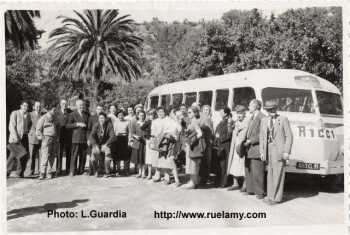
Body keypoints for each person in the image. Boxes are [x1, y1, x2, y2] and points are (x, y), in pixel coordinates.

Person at [260, 100, 293, 205]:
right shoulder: (264, 120)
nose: (271, 111)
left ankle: (276, 198)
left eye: (273, 109)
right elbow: (261, 137)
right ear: (266, 110)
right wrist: (262, 151)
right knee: (270, 173)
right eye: (269, 110)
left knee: (278, 173)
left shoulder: (283, 119)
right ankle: (270, 196)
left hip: (279, 150)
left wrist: (286, 152)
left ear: (276, 108)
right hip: (268, 150)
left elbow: (289, 136)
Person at [243, 99, 265, 199]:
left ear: (256, 106)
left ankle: (259, 192)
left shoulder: (262, 117)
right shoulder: (252, 117)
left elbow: (263, 133)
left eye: (250, 105)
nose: (248, 107)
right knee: (249, 169)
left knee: (257, 171)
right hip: (248, 148)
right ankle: (250, 189)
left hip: (256, 147)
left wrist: (251, 141)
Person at [157, 109, 182, 186]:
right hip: (164, 143)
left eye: (176, 115)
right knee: (164, 161)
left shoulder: (177, 122)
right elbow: (161, 131)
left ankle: (177, 180)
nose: (174, 115)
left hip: (172, 144)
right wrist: (165, 134)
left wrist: (171, 135)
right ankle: (167, 178)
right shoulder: (166, 120)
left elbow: (179, 132)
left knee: (171, 161)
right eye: (173, 114)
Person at [182, 106, 205, 189]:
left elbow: (200, 133)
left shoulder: (194, 121)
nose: (188, 114)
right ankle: (194, 181)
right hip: (193, 146)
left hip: (193, 146)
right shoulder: (193, 121)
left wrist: (192, 140)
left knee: (192, 164)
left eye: (190, 112)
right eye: (188, 112)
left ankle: (193, 182)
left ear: (195, 113)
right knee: (193, 164)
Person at [227, 105, 249, 191]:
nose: (239, 115)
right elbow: (230, 132)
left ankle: (245, 184)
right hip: (235, 145)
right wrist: (229, 124)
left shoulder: (247, 122)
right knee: (234, 164)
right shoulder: (235, 122)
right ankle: (235, 183)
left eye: (240, 113)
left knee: (243, 165)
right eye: (237, 113)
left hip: (242, 147)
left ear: (244, 113)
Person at [7, 100, 31, 178]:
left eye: (27, 106)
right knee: (14, 155)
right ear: (21, 106)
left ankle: (20, 172)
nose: (26, 108)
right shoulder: (15, 113)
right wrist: (15, 137)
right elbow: (11, 126)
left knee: (25, 154)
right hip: (15, 138)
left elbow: (29, 124)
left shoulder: (27, 115)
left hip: (24, 137)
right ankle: (7, 171)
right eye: (24, 106)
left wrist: (27, 131)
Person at [36, 102, 58, 180]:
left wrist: (57, 137)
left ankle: (49, 172)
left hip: (54, 139)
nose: (55, 111)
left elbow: (56, 128)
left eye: (55, 110)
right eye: (54, 109)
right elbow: (38, 129)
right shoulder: (43, 117)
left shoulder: (55, 118)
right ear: (49, 110)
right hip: (46, 138)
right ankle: (42, 173)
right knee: (45, 156)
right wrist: (42, 138)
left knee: (52, 156)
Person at [66, 99, 89, 176]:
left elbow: (89, 126)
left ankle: (81, 170)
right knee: (74, 155)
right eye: (80, 105)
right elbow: (67, 126)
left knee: (83, 156)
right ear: (76, 106)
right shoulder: (72, 114)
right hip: (75, 138)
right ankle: (72, 170)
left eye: (82, 105)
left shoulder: (87, 114)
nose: (81, 106)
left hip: (84, 138)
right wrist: (77, 124)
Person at [89, 112, 115, 177]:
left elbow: (112, 136)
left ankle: (107, 172)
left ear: (105, 119)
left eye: (103, 118)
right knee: (92, 159)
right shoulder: (96, 125)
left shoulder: (109, 125)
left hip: (106, 144)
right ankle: (96, 171)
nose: (101, 119)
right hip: (97, 144)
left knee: (108, 158)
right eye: (100, 118)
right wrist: (95, 145)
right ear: (98, 119)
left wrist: (106, 144)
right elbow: (91, 136)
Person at [213, 107, 233, 187]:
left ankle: (224, 182)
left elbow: (229, 135)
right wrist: (216, 138)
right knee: (220, 164)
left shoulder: (229, 122)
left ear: (225, 114)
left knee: (224, 164)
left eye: (221, 112)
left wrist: (219, 137)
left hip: (226, 146)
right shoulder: (221, 122)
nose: (220, 113)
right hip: (219, 145)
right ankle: (219, 181)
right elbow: (216, 133)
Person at [109, 109, 130, 176]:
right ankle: (118, 170)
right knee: (118, 156)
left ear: (124, 115)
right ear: (117, 116)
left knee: (125, 156)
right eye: (119, 115)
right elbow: (114, 132)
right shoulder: (115, 122)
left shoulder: (127, 122)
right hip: (117, 140)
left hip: (125, 140)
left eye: (122, 115)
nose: (120, 116)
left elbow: (129, 132)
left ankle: (126, 170)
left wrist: (129, 140)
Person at [198, 104, 214, 186]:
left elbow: (211, 131)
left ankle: (204, 179)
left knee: (206, 161)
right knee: (202, 160)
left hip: (207, 143)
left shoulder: (209, 119)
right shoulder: (201, 119)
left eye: (207, 109)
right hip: (202, 142)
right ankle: (202, 178)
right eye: (204, 109)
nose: (206, 111)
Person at [55, 99, 72, 176]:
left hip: (68, 136)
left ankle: (68, 169)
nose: (64, 105)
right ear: (60, 104)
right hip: (59, 136)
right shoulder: (56, 113)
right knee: (59, 153)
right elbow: (55, 125)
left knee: (68, 153)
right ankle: (58, 170)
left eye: (65, 104)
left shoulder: (70, 112)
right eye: (63, 103)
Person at [87, 104, 104, 175]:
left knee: (101, 155)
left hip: (101, 141)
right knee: (92, 156)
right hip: (93, 140)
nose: (99, 110)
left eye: (101, 109)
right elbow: (88, 130)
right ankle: (91, 170)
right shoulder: (92, 117)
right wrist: (88, 139)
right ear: (96, 110)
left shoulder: (104, 117)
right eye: (98, 109)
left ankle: (100, 170)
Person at [129, 110, 147, 178]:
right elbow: (132, 132)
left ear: (144, 116)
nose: (141, 117)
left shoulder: (147, 123)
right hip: (137, 142)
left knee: (144, 157)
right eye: (140, 115)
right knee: (139, 158)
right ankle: (139, 172)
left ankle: (143, 172)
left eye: (143, 115)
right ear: (138, 116)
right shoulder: (135, 123)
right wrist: (135, 136)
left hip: (145, 142)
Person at [143, 109, 158, 180]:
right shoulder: (148, 122)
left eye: (152, 115)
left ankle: (156, 173)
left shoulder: (157, 121)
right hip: (149, 140)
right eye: (149, 115)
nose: (151, 116)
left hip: (156, 140)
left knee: (155, 157)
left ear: (155, 115)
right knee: (148, 157)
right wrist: (147, 132)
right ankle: (149, 174)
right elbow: (142, 127)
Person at [27, 101, 42, 176]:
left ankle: (40, 170)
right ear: (33, 107)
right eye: (37, 106)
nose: (38, 108)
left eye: (39, 107)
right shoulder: (30, 114)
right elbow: (27, 125)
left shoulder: (42, 115)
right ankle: (31, 170)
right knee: (32, 155)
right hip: (32, 137)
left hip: (40, 138)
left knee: (40, 155)